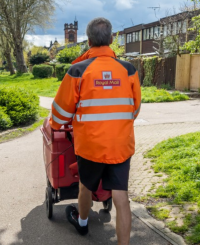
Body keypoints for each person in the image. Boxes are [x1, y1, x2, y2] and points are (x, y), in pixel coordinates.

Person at [50, 17, 141, 245]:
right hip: (120, 144)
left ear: (88, 41)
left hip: (90, 146)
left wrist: (55, 125)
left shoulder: (78, 70)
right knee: (121, 196)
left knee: (85, 186)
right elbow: (135, 108)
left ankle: (81, 223)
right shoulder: (128, 69)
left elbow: (60, 114)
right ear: (111, 39)